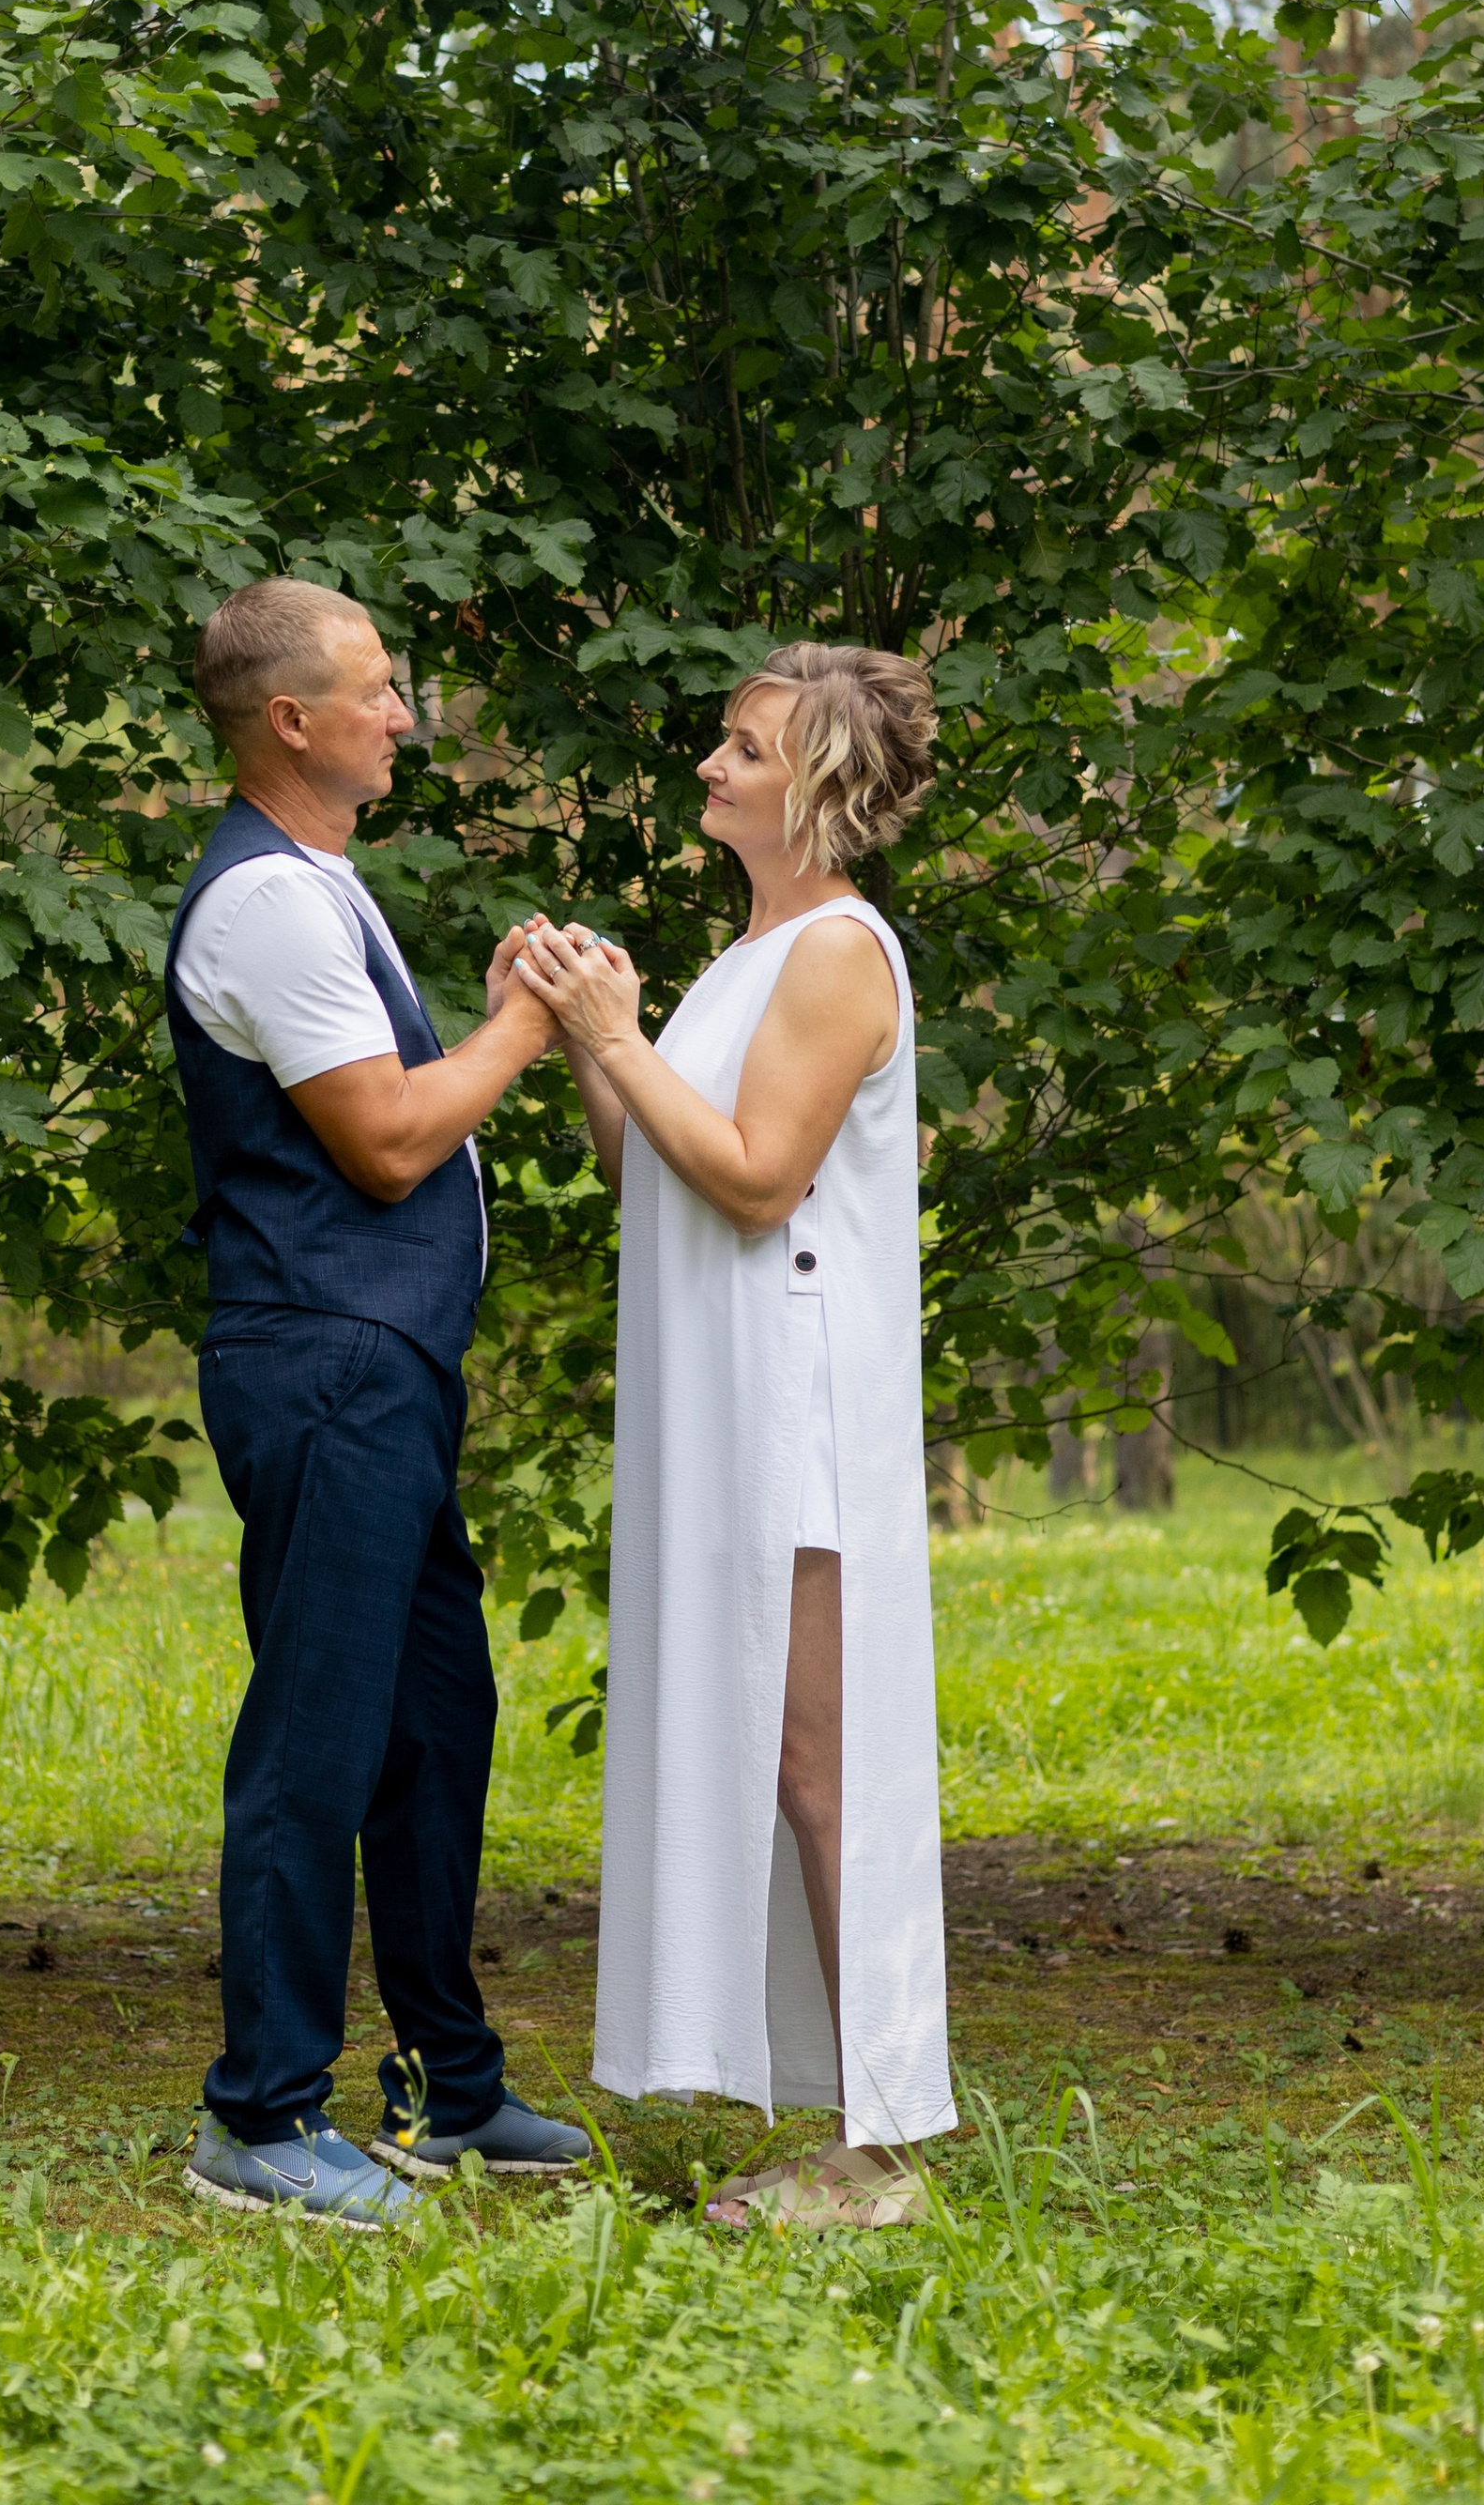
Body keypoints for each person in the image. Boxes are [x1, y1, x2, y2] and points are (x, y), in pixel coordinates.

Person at [165, 576, 590, 2223]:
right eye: (380, 688)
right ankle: (259, 2120)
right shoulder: (268, 901)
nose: (405, 712)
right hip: (327, 1357)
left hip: (385, 1367)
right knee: (319, 1739)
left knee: (433, 1722)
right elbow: (394, 1139)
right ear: (292, 720)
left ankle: (447, 2093)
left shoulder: (323, 887)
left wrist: (487, 1021)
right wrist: (527, 1023)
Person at [515, 641, 954, 2226]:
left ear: (822, 789)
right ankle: (828, 2109)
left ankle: (883, 2149)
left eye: (747, 748)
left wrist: (623, 1038)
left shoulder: (839, 952)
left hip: (798, 1404)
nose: (711, 764)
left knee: (824, 1765)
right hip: (717, 1396)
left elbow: (765, 1178)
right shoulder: (747, 954)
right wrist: (588, 1033)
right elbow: (659, 1176)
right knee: (771, 1755)